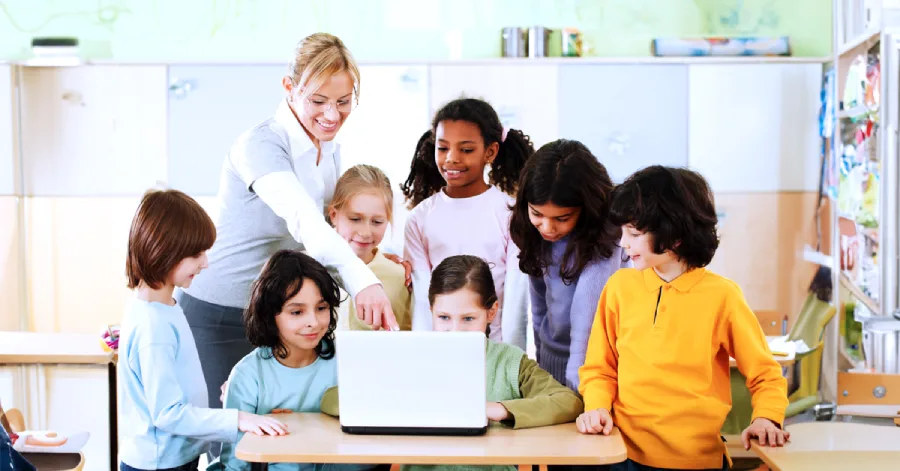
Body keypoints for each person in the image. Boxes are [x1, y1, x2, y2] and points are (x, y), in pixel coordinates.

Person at [178, 33, 400, 413]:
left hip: (280, 312)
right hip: (220, 313)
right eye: (318, 101)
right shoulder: (261, 146)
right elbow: (307, 225)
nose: (333, 115)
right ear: (289, 88)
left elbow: (335, 228)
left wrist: (382, 257)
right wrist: (366, 283)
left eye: (344, 102)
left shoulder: (327, 149)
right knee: (232, 434)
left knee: (282, 428)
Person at [577, 166, 790, 471]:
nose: (623, 243)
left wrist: (766, 418)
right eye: (622, 231)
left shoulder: (722, 296)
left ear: (674, 237)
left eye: (634, 234)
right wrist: (596, 406)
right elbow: (600, 369)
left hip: (697, 462)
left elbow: (765, 375)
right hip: (623, 456)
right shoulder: (619, 288)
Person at [321, 255, 583, 471]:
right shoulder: (408, 357)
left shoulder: (511, 361)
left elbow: (567, 401)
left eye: (468, 319)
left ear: (491, 312)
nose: (455, 329)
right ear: (431, 310)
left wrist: (499, 409)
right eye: (444, 317)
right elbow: (332, 399)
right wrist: (396, 401)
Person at [119, 189, 286, 471]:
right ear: (163, 250)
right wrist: (239, 419)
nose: (205, 263)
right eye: (196, 254)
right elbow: (168, 414)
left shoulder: (164, 307)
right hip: (161, 464)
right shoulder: (153, 327)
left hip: (173, 457)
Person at [218, 250, 383, 471]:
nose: (313, 322)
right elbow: (236, 461)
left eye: (321, 308)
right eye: (297, 312)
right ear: (269, 314)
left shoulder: (347, 362)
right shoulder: (248, 376)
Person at [401, 97, 534, 349]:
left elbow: (516, 298)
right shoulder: (419, 219)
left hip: (495, 352)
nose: (451, 158)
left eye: (466, 149)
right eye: (443, 148)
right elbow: (421, 300)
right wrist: (423, 353)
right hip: (442, 351)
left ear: (490, 152)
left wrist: (512, 362)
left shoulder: (510, 214)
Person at [508, 139, 629, 392]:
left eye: (562, 218)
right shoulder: (534, 234)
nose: (548, 228)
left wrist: (578, 380)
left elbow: (587, 314)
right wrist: (541, 364)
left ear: (587, 208)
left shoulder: (606, 239)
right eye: (537, 214)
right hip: (554, 361)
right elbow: (539, 304)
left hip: (595, 369)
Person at [328, 165, 412, 331]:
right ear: (334, 216)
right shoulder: (306, 269)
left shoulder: (399, 277)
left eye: (377, 222)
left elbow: (406, 336)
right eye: (355, 218)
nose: (365, 232)